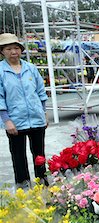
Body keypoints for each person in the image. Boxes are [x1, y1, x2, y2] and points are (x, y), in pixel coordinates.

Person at [0, 33, 49, 188]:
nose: (14, 52)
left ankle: (43, 186)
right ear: (2, 51)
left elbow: (41, 92)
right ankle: (24, 189)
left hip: (36, 118)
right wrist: (7, 120)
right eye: (9, 49)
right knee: (18, 157)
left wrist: (44, 113)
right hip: (15, 121)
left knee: (39, 156)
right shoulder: (1, 71)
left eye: (16, 48)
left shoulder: (30, 68)